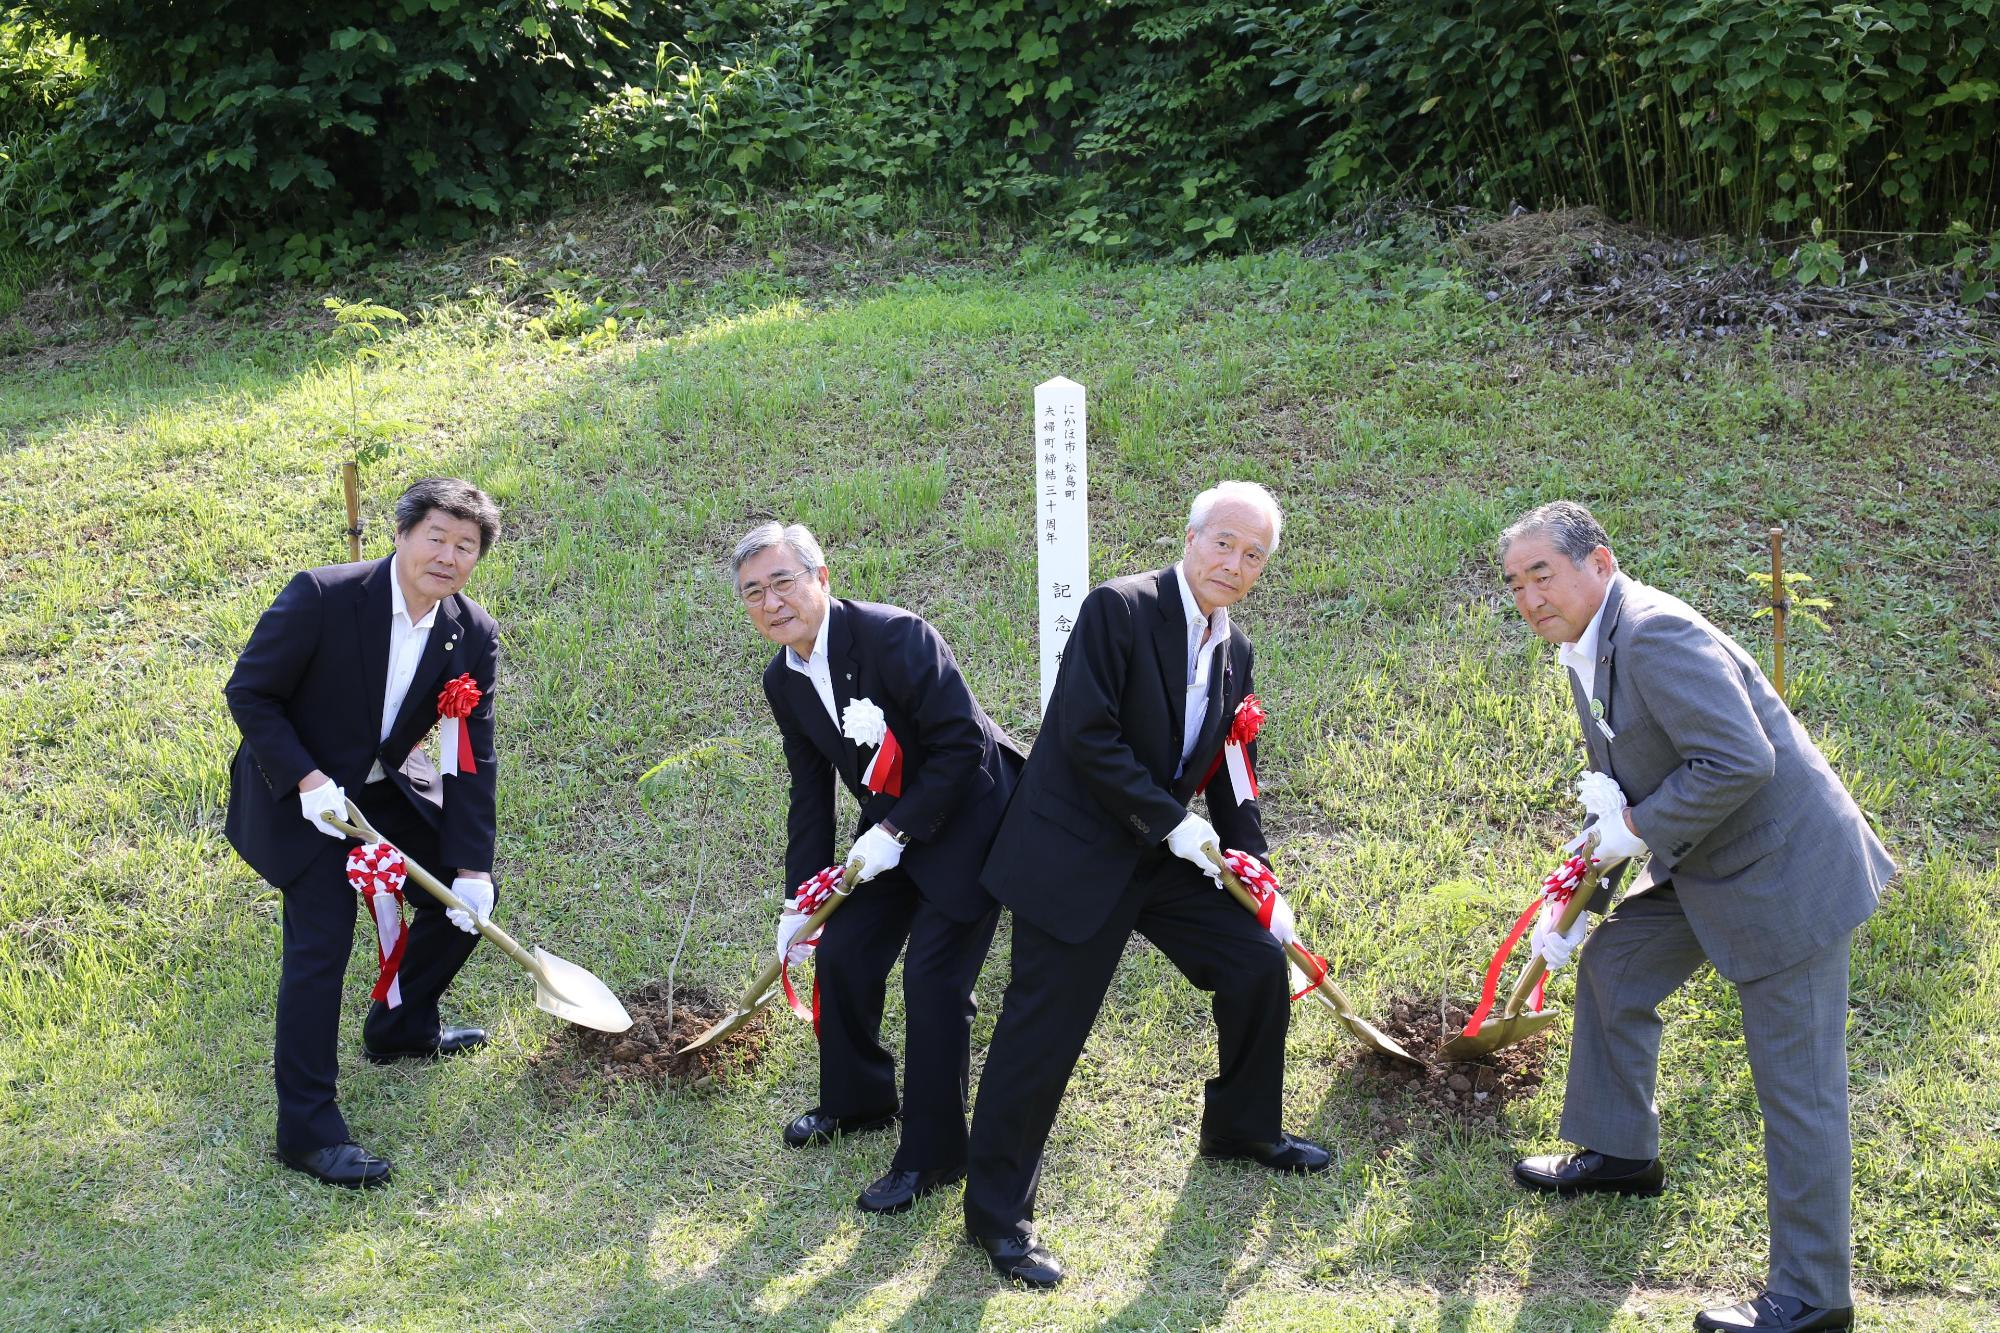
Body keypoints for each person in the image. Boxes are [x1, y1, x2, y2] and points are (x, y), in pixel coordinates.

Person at [1498, 501, 1892, 1333]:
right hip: (1709, 859)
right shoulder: (1585, 645)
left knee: (1799, 1089)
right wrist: (1580, 898)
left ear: (1597, 563)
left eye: (1543, 573)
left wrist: (1632, 829)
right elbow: (1627, 792)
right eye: (1515, 582)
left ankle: (1815, 1297)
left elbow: (1740, 760)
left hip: (1787, 874)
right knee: (1615, 966)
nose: (1530, 596)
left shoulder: (1652, 633)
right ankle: (1622, 1153)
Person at [962, 481, 1320, 1288]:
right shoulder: (1118, 609)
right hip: (1075, 853)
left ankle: (1240, 1128)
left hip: (1159, 854)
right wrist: (1173, 822)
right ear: (1190, 537)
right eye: (1224, 542)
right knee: (1040, 1036)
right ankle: (996, 1218)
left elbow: (1232, 764)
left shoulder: (1236, 650)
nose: (1235, 562)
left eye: (1253, 553)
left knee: (1255, 961)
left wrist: (1254, 865)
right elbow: (1086, 735)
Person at [733, 521, 1022, 1214]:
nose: (772, 603)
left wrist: (895, 829)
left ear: (820, 577)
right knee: (845, 955)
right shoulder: (784, 679)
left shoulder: (896, 636)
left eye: (783, 582)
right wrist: (802, 899)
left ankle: (933, 1156)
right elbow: (810, 793)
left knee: (933, 981)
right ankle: (860, 1101)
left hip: (978, 816)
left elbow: (962, 748)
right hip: (892, 824)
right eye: (753, 593)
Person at [225, 477, 505, 1189]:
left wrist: (472, 866)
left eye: (464, 546)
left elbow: (467, 758)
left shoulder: (468, 633)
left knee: (459, 901)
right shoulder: (323, 595)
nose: (447, 555)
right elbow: (249, 692)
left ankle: (400, 1025)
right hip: (299, 796)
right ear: (403, 534)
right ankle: (307, 1131)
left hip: (380, 791)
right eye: (436, 537)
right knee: (323, 940)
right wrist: (308, 780)